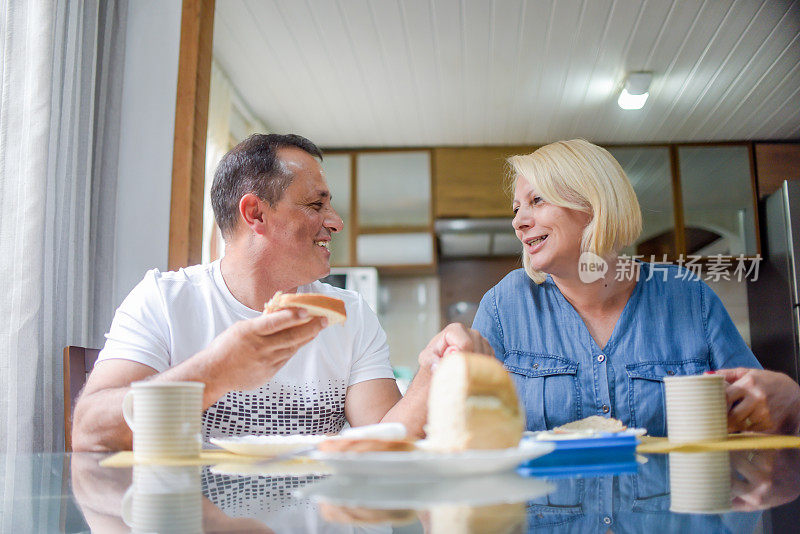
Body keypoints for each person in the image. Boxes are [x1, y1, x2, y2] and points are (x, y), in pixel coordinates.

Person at [72, 133, 491, 451]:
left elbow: (382, 439)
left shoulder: (350, 314)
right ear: (255, 213)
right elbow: (90, 430)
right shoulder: (165, 301)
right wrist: (217, 371)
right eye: (316, 205)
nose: (335, 222)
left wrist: (431, 371)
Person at [472, 139, 760, 437]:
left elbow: (759, 414)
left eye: (537, 200)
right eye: (517, 208)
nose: (518, 222)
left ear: (593, 205)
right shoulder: (504, 304)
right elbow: (453, 428)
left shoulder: (687, 296)